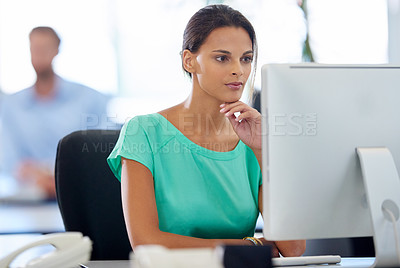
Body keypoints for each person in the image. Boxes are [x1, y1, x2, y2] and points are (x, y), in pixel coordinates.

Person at [107, 5, 305, 256]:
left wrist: (261, 150)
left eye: (246, 58)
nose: (239, 70)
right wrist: (252, 246)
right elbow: (146, 242)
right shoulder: (144, 131)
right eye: (222, 58)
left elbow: (293, 248)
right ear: (189, 61)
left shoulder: (253, 140)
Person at [0, 26, 109, 199]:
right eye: (35, 49)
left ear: (57, 50)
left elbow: (100, 153)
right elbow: (8, 162)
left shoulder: (89, 98)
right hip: (29, 198)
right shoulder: (12, 106)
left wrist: (56, 176)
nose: (39, 55)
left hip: (80, 194)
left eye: (45, 49)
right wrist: (40, 178)